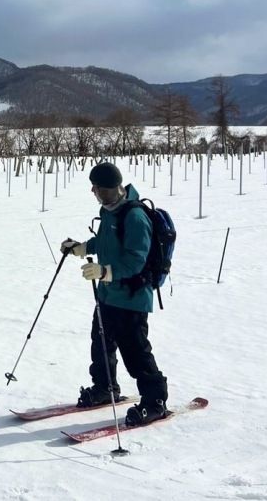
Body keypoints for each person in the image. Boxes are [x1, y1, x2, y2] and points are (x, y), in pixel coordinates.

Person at [60, 161, 168, 426]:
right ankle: (105, 388)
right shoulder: (110, 211)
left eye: (100, 190)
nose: (96, 194)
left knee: (135, 351)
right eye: (95, 189)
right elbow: (107, 241)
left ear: (114, 187)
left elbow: (136, 260)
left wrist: (104, 271)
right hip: (109, 295)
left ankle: (155, 401)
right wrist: (82, 247)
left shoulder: (134, 216)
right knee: (101, 342)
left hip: (132, 297)